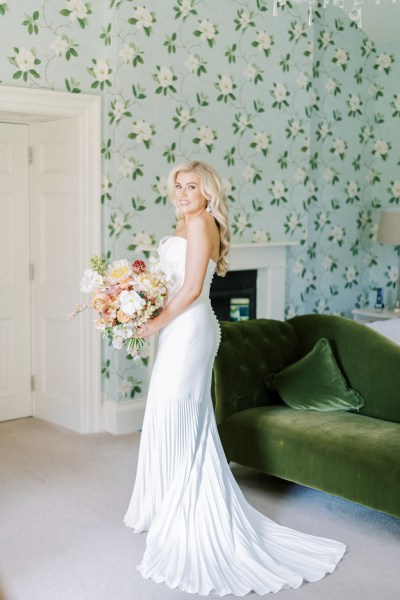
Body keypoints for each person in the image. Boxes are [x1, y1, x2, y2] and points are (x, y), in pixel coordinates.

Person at [124, 160, 346, 596]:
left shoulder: (203, 222)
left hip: (188, 328)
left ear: (208, 193)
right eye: (178, 186)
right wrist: (137, 302)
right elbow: (170, 285)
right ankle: (163, 502)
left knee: (179, 410)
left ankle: (184, 508)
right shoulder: (186, 223)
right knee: (168, 408)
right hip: (176, 327)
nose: (184, 193)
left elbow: (190, 290)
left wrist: (154, 323)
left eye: (192, 186)